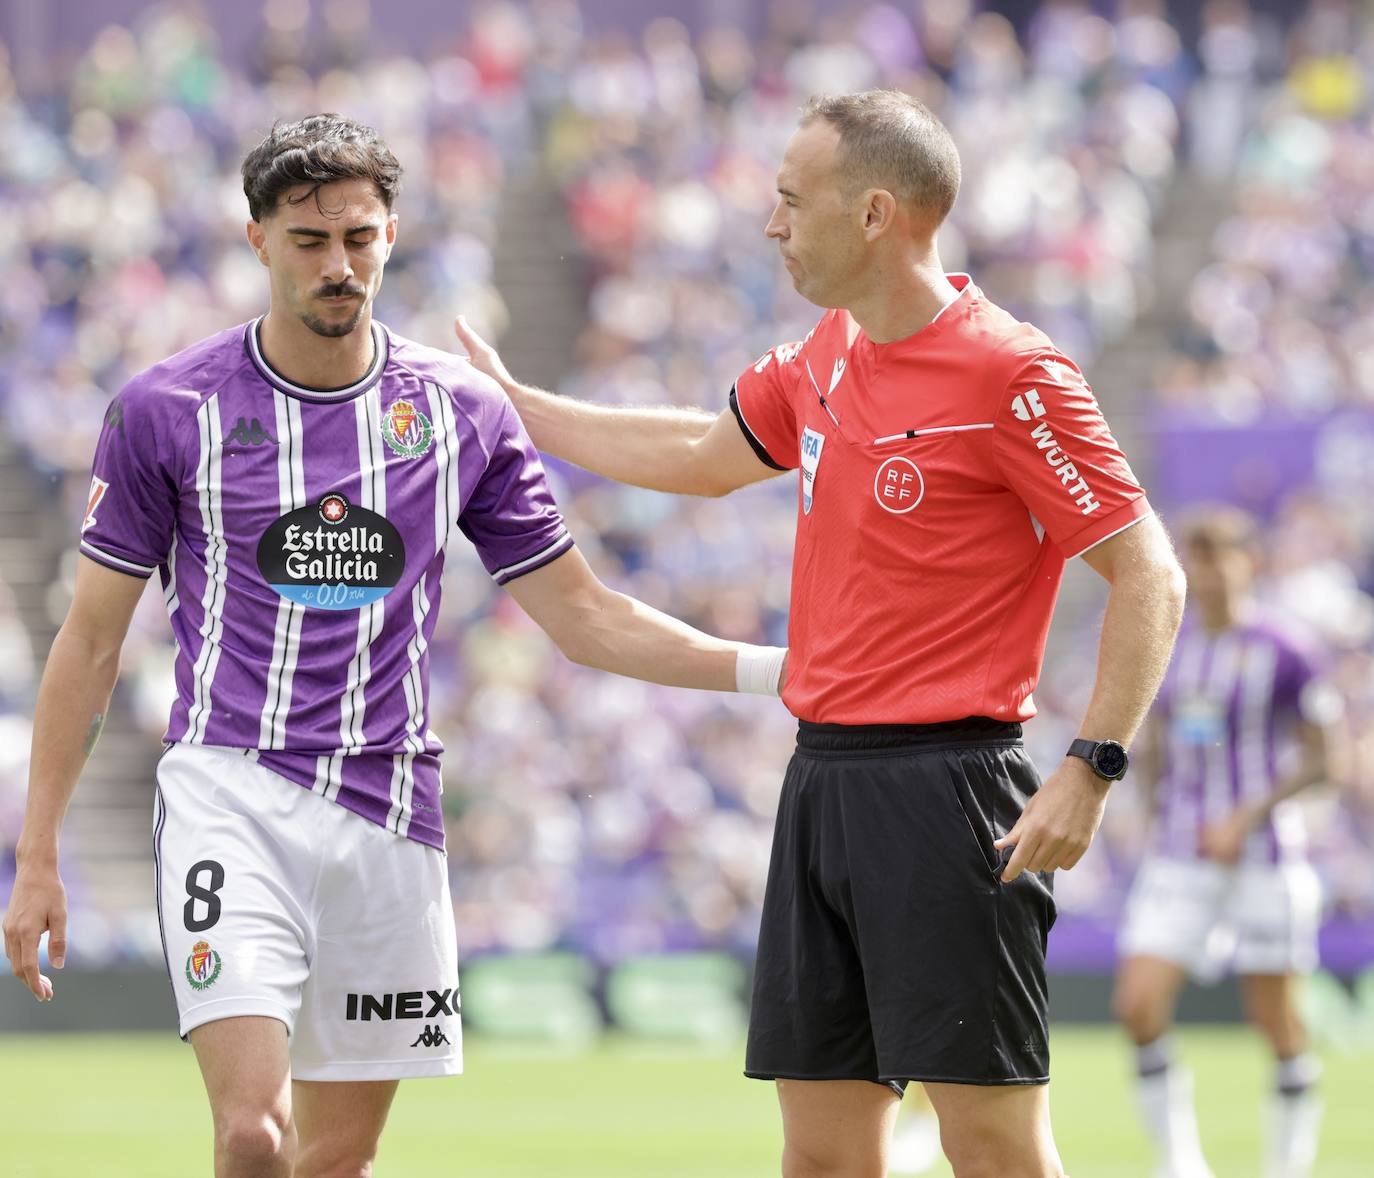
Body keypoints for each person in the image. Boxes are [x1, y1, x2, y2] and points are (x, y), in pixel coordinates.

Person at [0, 114, 788, 1178]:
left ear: (394, 233)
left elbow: (583, 614)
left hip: (389, 815)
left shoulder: (460, 412)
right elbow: (92, 639)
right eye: (309, 240)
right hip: (229, 793)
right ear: (257, 240)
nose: (339, 265)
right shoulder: (166, 409)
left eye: (360, 239)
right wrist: (39, 848)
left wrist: (773, 670)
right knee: (251, 1133)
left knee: (334, 1160)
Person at [452, 88, 1188, 1178]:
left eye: (793, 200)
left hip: (953, 790)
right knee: (825, 1155)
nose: (773, 223)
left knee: (995, 1148)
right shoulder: (828, 350)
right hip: (823, 780)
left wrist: (1092, 763)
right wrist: (518, 405)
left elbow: (1149, 571)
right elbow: (706, 453)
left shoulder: (1012, 371)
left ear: (877, 213)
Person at [1112, 507, 1336, 1178]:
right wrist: (1148, 809)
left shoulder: (1288, 650)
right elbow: (1160, 739)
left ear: (1251, 562)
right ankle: (1181, 1163)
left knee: (1274, 1020)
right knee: (1137, 1003)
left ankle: (1286, 1166)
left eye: (1219, 557)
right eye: (1197, 557)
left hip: (1266, 857)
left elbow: (1326, 758)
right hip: (1182, 852)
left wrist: (1248, 814)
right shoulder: (1175, 647)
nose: (1207, 572)